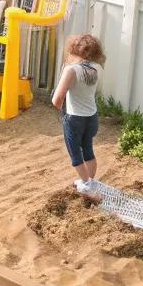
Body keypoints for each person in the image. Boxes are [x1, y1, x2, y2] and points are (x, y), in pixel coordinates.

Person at [52, 32, 106, 198]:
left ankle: (87, 185)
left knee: (75, 153)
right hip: (92, 117)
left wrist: (63, 114)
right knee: (88, 149)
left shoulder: (71, 70)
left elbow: (57, 99)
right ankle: (89, 181)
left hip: (75, 118)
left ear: (73, 51)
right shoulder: (97, 69)